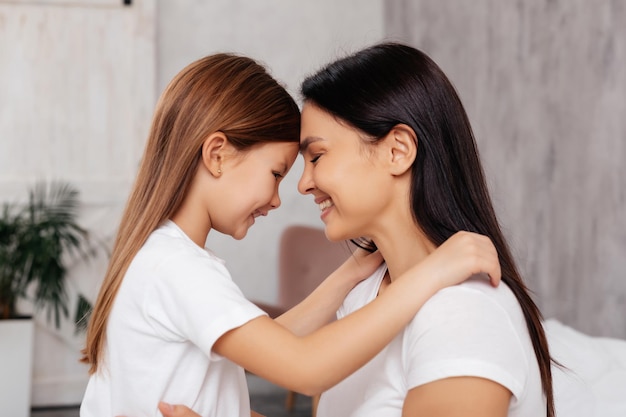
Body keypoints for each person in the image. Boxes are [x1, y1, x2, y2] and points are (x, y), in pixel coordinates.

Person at [79, 52, 502, 417]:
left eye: (315, 158)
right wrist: (432, 272)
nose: (285, 195)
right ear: (217, 154)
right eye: (277, 172)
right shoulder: (177, 268)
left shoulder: (166, 259)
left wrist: (350, 272)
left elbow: (274, 341)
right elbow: (303, 367)